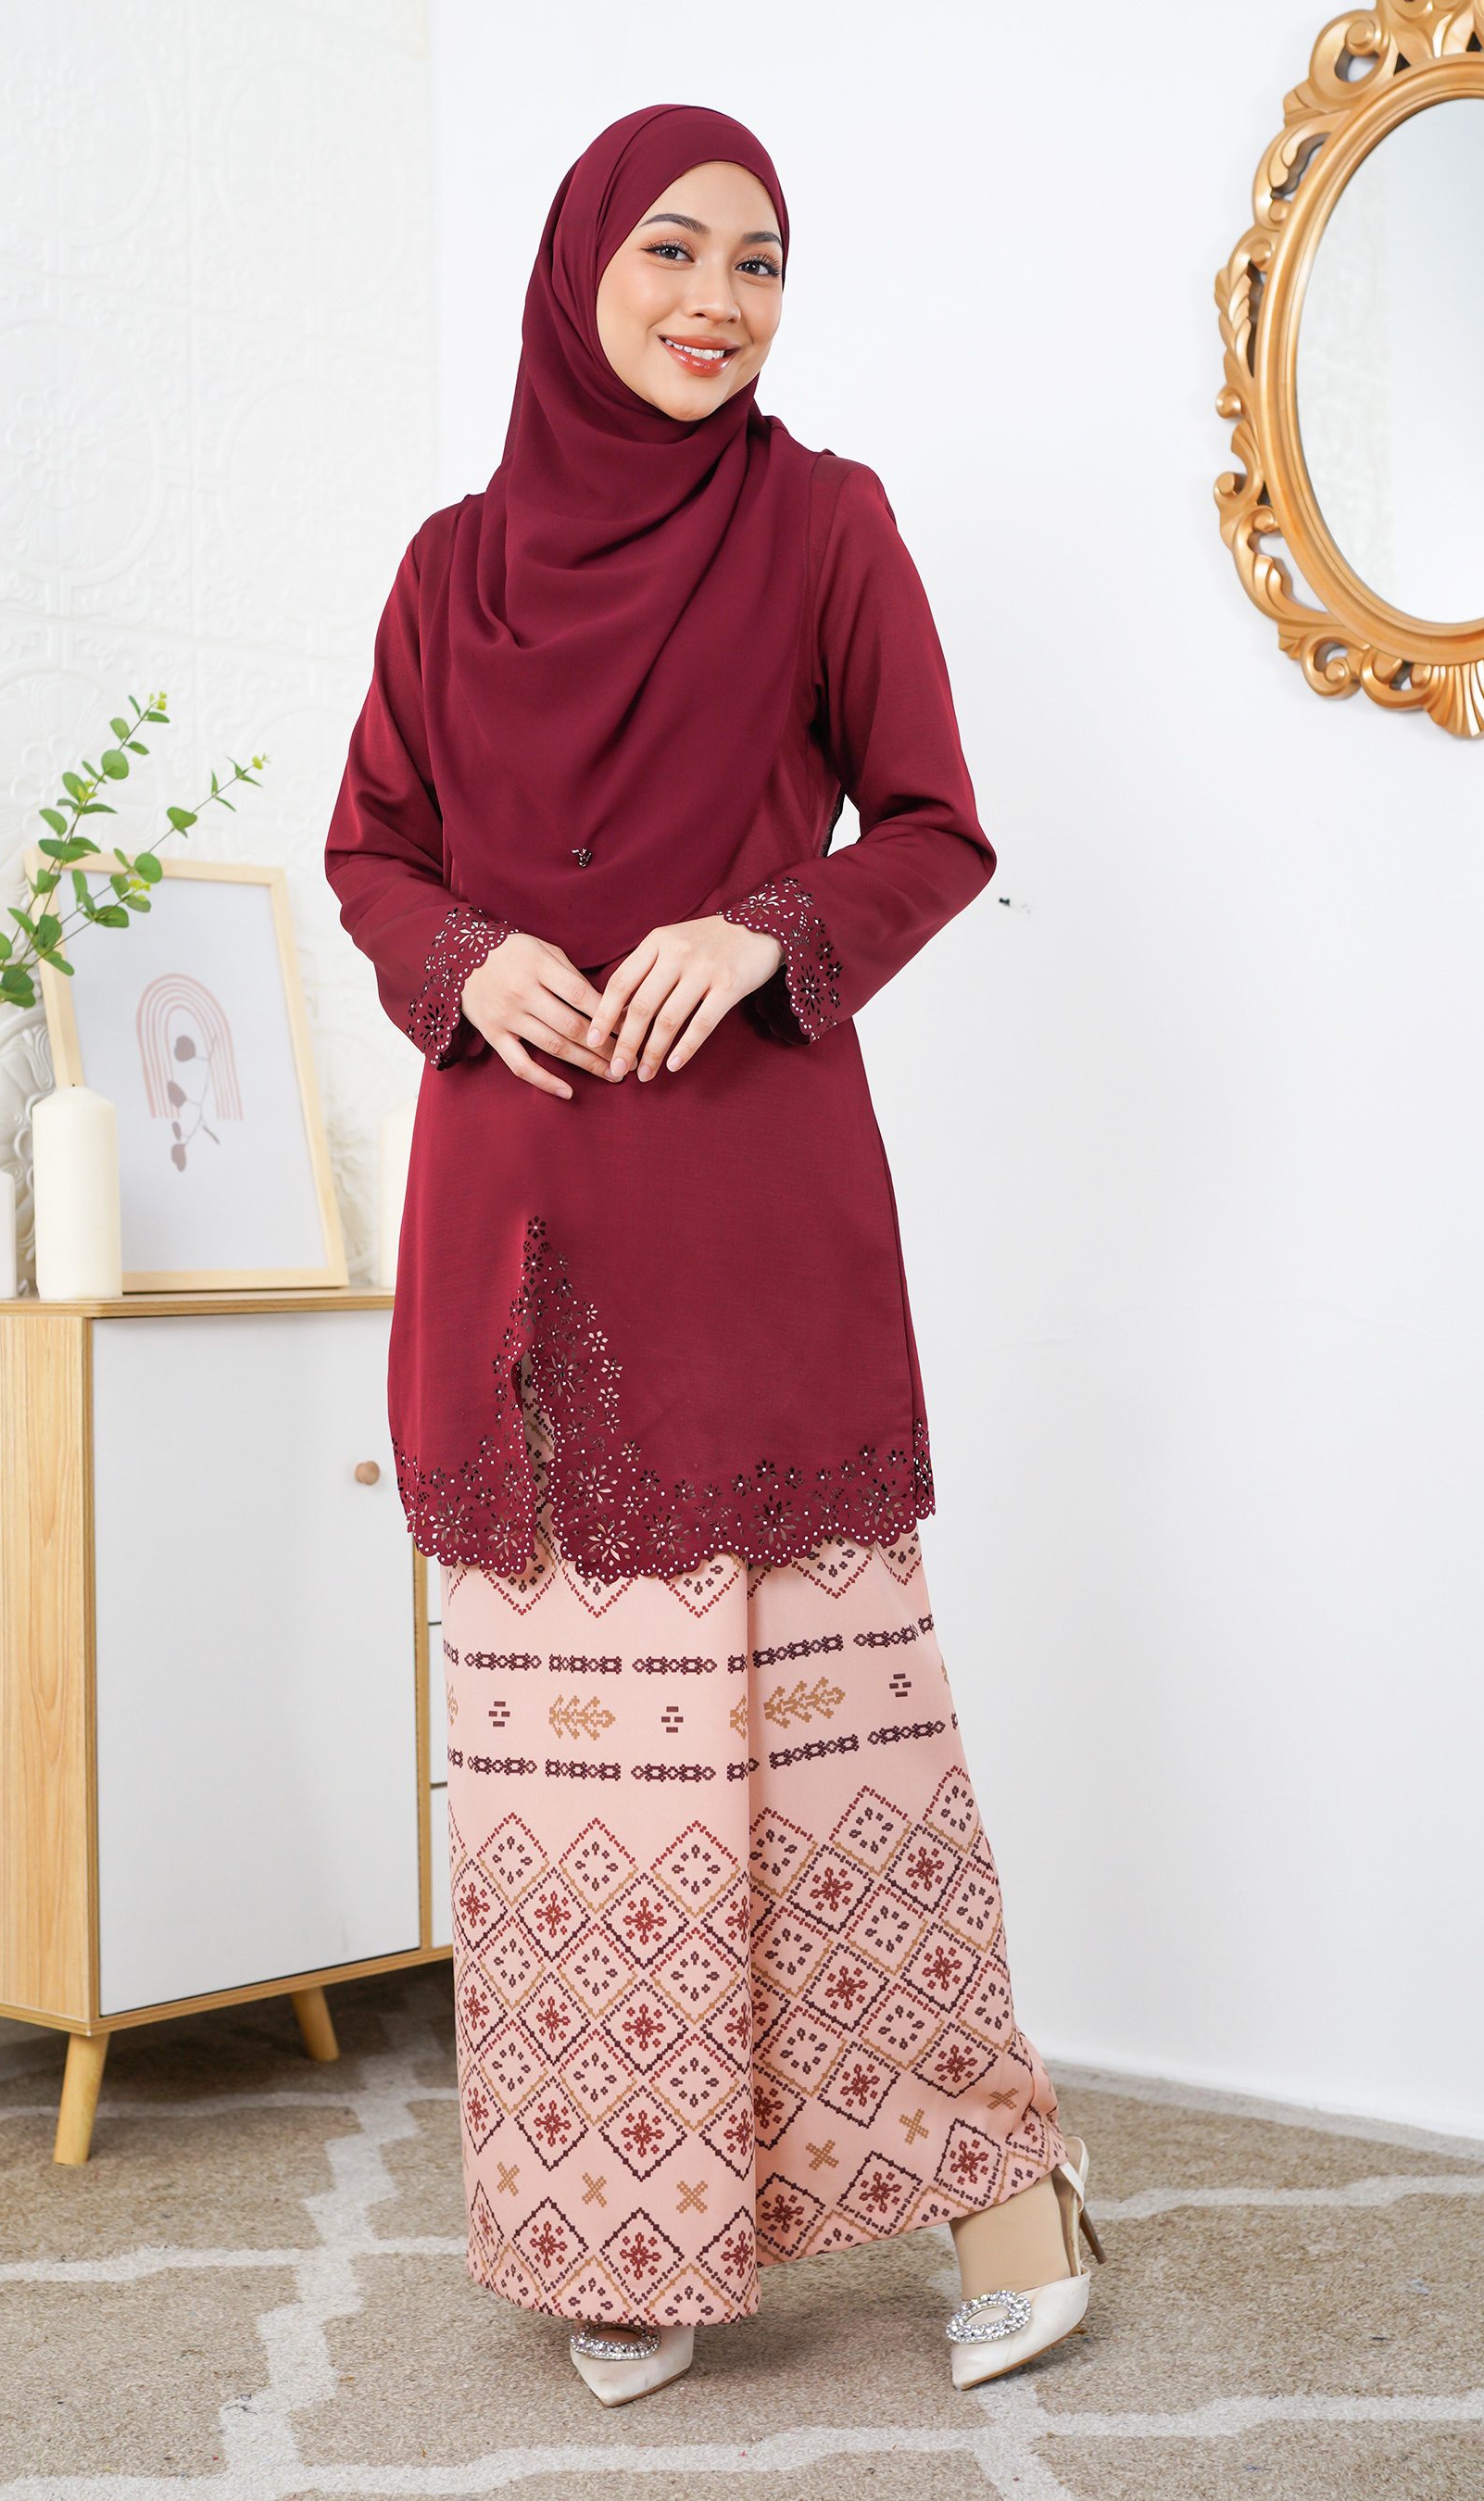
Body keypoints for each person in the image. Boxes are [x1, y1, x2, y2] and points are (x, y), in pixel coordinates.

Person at [324, 100, 1101, 2407]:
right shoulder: (451, 570)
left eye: (759, 261)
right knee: (575, 1772)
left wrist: (763, 930)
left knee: (845, 1733)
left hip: (752, 1204)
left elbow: (935, 825)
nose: (716, 300)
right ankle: (632, 2233)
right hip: (521, 1221)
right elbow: (370, 848)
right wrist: (464, 957)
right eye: (672, 248)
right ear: (581, 265)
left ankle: (1011, 2190)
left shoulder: (822, 523)